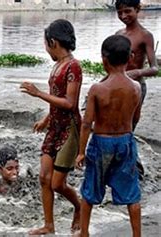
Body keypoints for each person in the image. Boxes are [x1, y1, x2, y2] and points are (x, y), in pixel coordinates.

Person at [75, 35, 142, 237]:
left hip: (102, 142)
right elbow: (136, 116)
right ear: (130, 57)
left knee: (90, 191)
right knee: (132, 193)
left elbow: (87, 123)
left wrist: (80, 152)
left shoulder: (98, 89)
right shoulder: (136, 87)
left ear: (104, 59)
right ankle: (137, 235)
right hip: (125, 140)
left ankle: (84, 232)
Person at [20, 19, 82, 235]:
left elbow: (70, 103)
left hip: (69, 130)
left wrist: (38, 93)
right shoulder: (58, 65)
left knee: (57, 184)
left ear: (53, 42)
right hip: (54, 126)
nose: (46, 49)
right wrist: (46, 119)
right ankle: (49, 225)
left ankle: (79, 206)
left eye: (46, 45)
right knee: (44, 178)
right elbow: (57, 98)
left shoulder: (73, 66)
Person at [115, 0, 158, 111]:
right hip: (117, 83)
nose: (123, 16)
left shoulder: (145, 35)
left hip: (136, 85)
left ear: (137, 9)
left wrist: (137, 72)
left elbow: (154, 68)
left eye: (127, 11)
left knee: (129, 122)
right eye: (120, 13)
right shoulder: (118, 34)